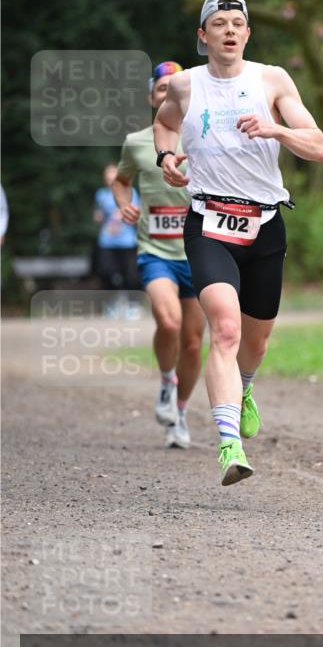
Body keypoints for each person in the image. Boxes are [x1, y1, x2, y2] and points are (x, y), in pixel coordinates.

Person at [153, 0, 323, 487]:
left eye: (238, 23)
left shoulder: (271, 79)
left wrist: (275, 130)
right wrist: (168, 160)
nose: (229, 31)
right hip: (208, 222)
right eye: (219, 23)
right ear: (202, 36)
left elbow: (317, 146)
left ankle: (244, 387)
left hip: (265, 225)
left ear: (248, 34)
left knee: (256, 340)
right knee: (224, 330)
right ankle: (230, 443)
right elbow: (164, 126)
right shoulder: (186, 85)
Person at [113, 61, 206, 449]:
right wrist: (124, 204)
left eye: (174, 88)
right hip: (156, 252)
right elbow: (121, 181)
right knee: (168, 323)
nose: (167, 94)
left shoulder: (202, 136)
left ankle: (180, 414)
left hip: (200, 252)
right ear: (152, 97)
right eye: (161, 88)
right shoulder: (137, 142)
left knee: (193, 342)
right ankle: (167, 382)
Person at [93, 164, 140, 299]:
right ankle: (114, 302)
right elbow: (98, 215)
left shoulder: (130, 192)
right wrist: (99, 217)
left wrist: (122, 214)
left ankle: (132, 303)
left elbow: (136, 213)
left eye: (112, 175)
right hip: (107, 241)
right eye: (107, 176)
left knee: (130, 276)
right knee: (107, 273)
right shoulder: (101, 194)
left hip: (127, 241)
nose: (109, 178)